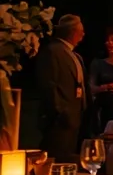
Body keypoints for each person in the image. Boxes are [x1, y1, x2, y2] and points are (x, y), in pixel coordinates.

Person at [34, 14, 86, 163]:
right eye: (80, 31)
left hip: (74, 118)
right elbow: (49, 85)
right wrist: (60, 112)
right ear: (72, 32)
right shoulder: (53, 52)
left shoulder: (73, 54)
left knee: (68, 158)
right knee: (57, 158)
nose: (83, 34)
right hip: (60, 120)